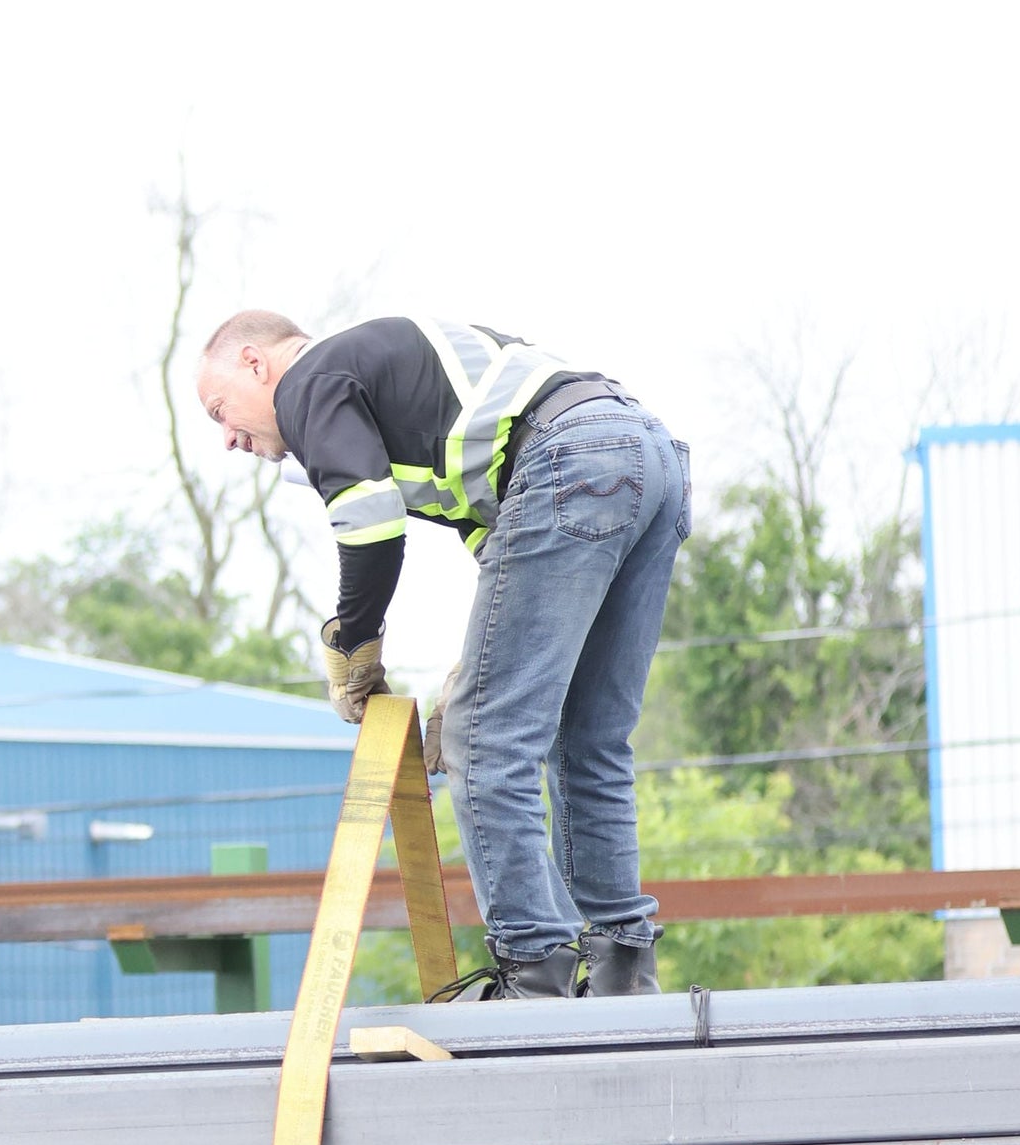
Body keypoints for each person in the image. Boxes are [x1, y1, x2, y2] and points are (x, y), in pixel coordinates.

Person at [195, 308, 690, 997]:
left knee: (484, 741)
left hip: (571, 461)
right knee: (588, 740)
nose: (226, 437)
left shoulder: (307, 382)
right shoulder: (395, 393)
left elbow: (368, 523)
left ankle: (534, 976)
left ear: (257, 363)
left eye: (220, 409)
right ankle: (622, 975)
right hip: (646, 457)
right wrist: (473, 674)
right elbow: (509, 555)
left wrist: (353, 643)